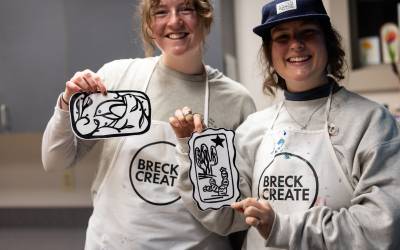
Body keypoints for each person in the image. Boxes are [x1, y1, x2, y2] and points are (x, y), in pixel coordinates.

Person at [169, 0, 400, 249]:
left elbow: (380, 228)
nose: (295, 44)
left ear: (328, 42)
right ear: (269, 52)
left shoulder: (371, 122)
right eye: (282, 37)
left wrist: (280, 227)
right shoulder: (253, 128)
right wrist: (196, 151)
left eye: (308, 33)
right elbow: (224, 216)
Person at [41, 0, 256, 249]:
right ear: (149, 26)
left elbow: (234, 215)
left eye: (185, 9)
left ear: (204, 18)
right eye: (161, 12)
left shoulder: (236, 101)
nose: (174, 21)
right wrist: (68, 104)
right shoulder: (117, 79)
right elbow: (55, 160)